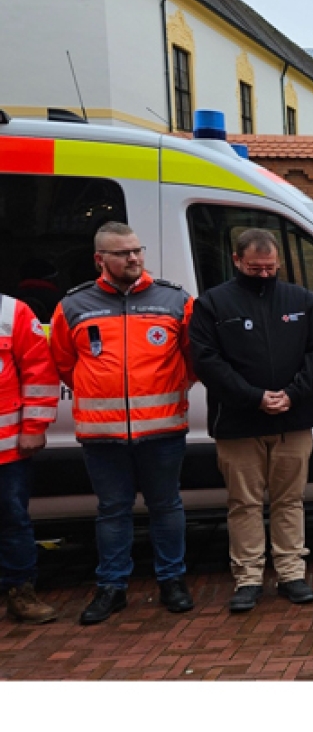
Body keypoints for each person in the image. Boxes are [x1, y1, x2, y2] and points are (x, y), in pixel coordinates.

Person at [50, 222, 195, 624]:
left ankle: (173, 581)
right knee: (112, 511)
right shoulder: (73, 306)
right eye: (122, 253)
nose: (133, 258)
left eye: (137, 250)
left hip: (163, 428)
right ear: (100, 259)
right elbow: (65, 364)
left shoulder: (174, 299)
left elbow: (193, 358)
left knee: (167, 506)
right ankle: (111, 587)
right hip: (103, 434)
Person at [189, 228, 313, 613]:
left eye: (270, 268)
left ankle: (291, 573)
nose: (264, 275)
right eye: (255, 268)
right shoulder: (213, 304)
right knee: (244, 503)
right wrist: (254, 398)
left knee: (290, 501)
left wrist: (293, 393)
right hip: (238, 422)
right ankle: (248, 578)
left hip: (293, 419)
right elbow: (206, 360)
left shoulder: (301, 300)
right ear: (237, 260)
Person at [0, 293, 59, 623]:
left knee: (12, 521)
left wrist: (34, 426)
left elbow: (39, 371)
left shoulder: (12, 312)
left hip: (6, 449)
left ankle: (20, 593)